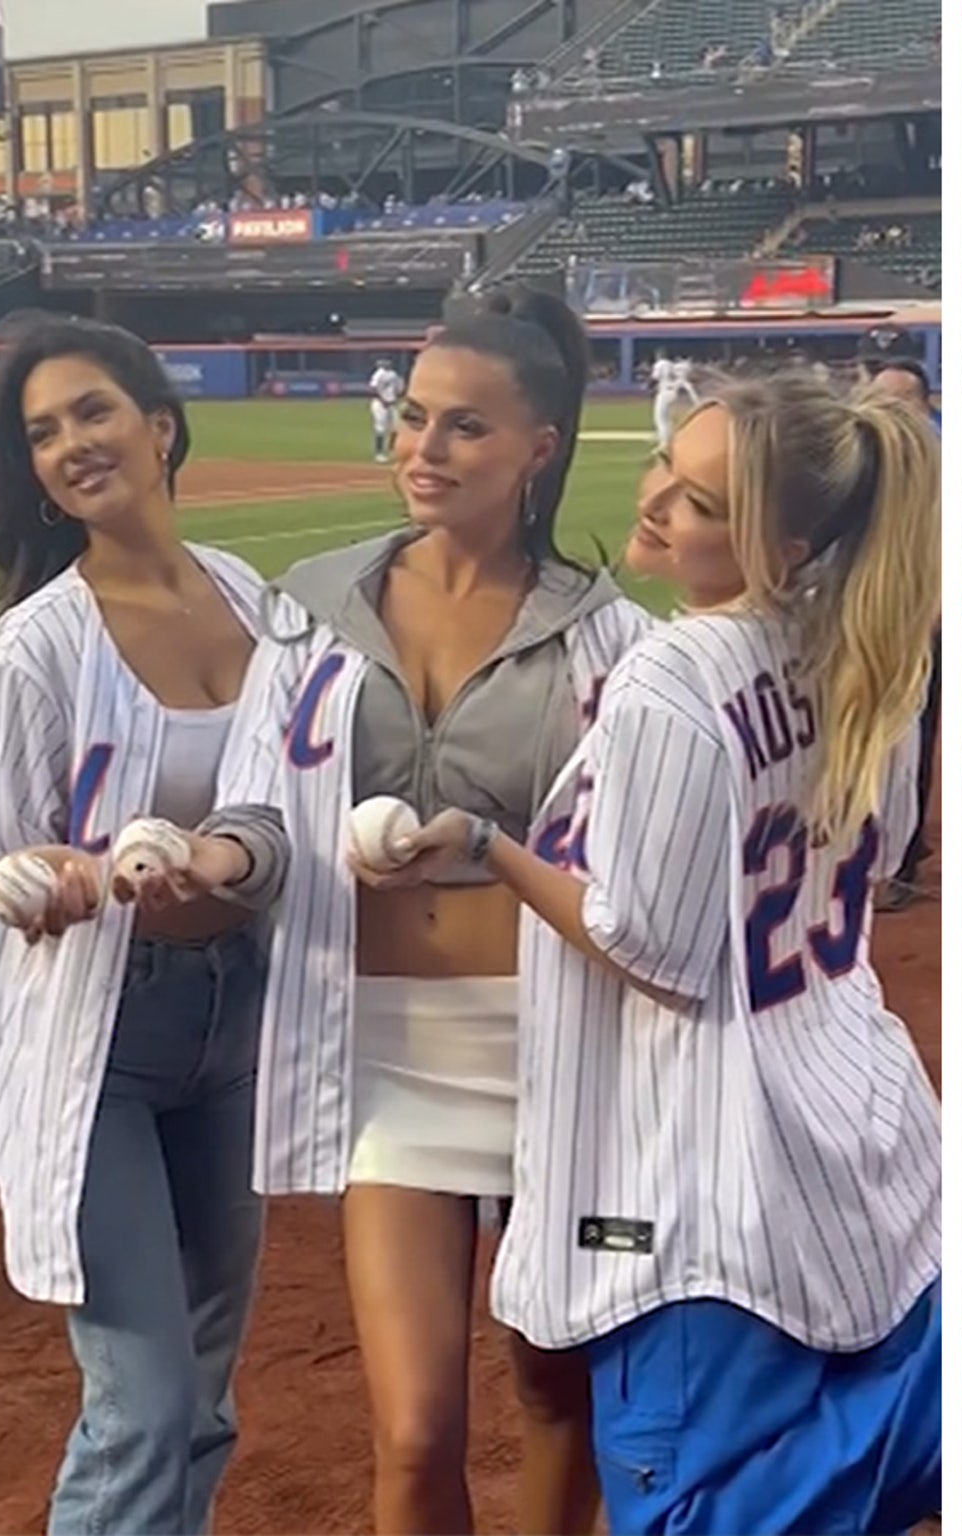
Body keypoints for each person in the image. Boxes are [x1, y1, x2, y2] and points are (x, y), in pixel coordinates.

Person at [380, 370, 943, 1535]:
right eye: (667, 474)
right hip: (862, 1146)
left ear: (779, 543)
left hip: (701, 1199)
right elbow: (876, 865)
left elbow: (652, 951)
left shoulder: (671, 676)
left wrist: (488, 844)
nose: (654, 505)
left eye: (695, 502)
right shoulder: (861, 654)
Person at [137, 285, 654, 1534]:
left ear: (538, 448)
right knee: (415, 1427)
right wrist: (214, 862)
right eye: (415, 420)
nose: (423, 449)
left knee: (554, 1387)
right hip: (384, 1057)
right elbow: (262, 807)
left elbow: (630, 871)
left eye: (463, 428)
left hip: (559, 1052)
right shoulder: (307, 604)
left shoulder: (610, 639)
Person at [0, 316, 269, 1534]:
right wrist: (48, 881)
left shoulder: (249, 596)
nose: (72, 443)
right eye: (41, 432)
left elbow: (292, 799)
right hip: (99, 1046)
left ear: (161, 427)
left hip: (235, 1027)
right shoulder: (38, 647)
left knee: (202, 1396)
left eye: (92, 411)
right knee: (139, 1407)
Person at [865, 358, 940, 913]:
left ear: (920, 405)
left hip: (912, 619)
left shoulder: (930, 458)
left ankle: (899, 863)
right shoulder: (867, 453)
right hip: (866, 614)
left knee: (904, 745)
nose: (879, 407)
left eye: (892, 399)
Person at [368, 356, 405, 463]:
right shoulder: (378, 374)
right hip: (380, 404)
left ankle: (392, 451)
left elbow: (398, 389)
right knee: (381, 428)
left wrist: (397, 397)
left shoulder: (394, 374)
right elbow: (373, 388)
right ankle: (379, 453)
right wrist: (383, 400)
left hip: (392, 404)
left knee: (396, 427)